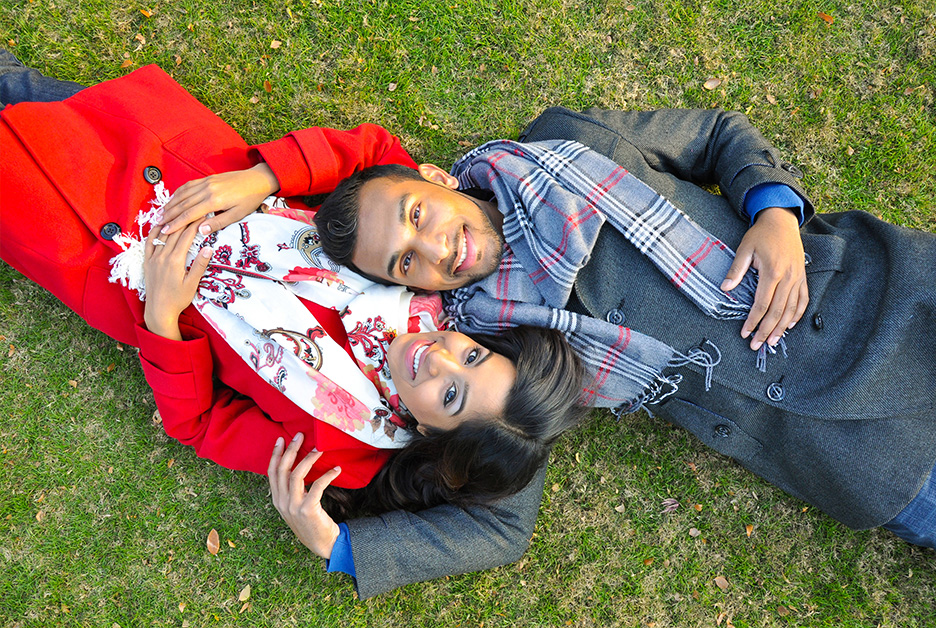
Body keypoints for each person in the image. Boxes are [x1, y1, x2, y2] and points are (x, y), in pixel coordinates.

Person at [0, 55, 588, 595]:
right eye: (473, 357)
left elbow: (201, 426)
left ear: (433, 434)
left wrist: (162, 314)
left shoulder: (343, 451)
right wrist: (263, 178)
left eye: (451, 395)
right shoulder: (424, 278)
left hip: (106, 261)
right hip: (186, 168)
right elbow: (374, 156)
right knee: (34, 93)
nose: (439, 358)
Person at [314, 107, 936, 560]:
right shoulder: (489, 341)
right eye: (404, 263)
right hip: (863, 455)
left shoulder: (565, 141)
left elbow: (716, 135)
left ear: (437, 177)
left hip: (893, 298)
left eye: (416, 213)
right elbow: (505, 519)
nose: (434, 248)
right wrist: (345, 548)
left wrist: (773, 210)